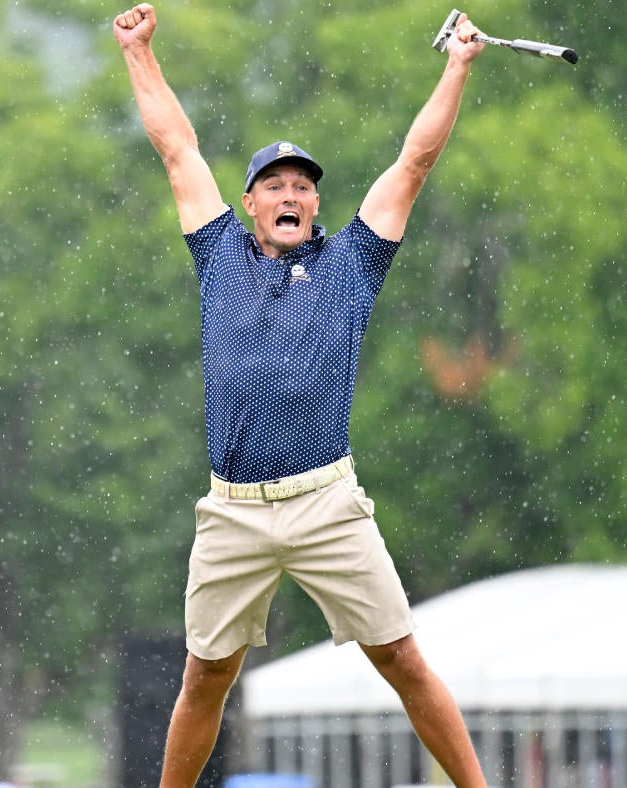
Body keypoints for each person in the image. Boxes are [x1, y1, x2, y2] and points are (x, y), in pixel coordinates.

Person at [113, 4, 489, 787]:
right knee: (204, 678)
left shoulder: (354, 261)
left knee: (403, 661)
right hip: (235, 510)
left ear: (316, 205)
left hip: (327, 502)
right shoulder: (217, 252)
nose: (290, 194)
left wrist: (456, 66)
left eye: (302, 187)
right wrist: (139, 52)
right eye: (273, 185)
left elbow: (414, 163)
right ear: (249, 203)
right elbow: (176, 145)